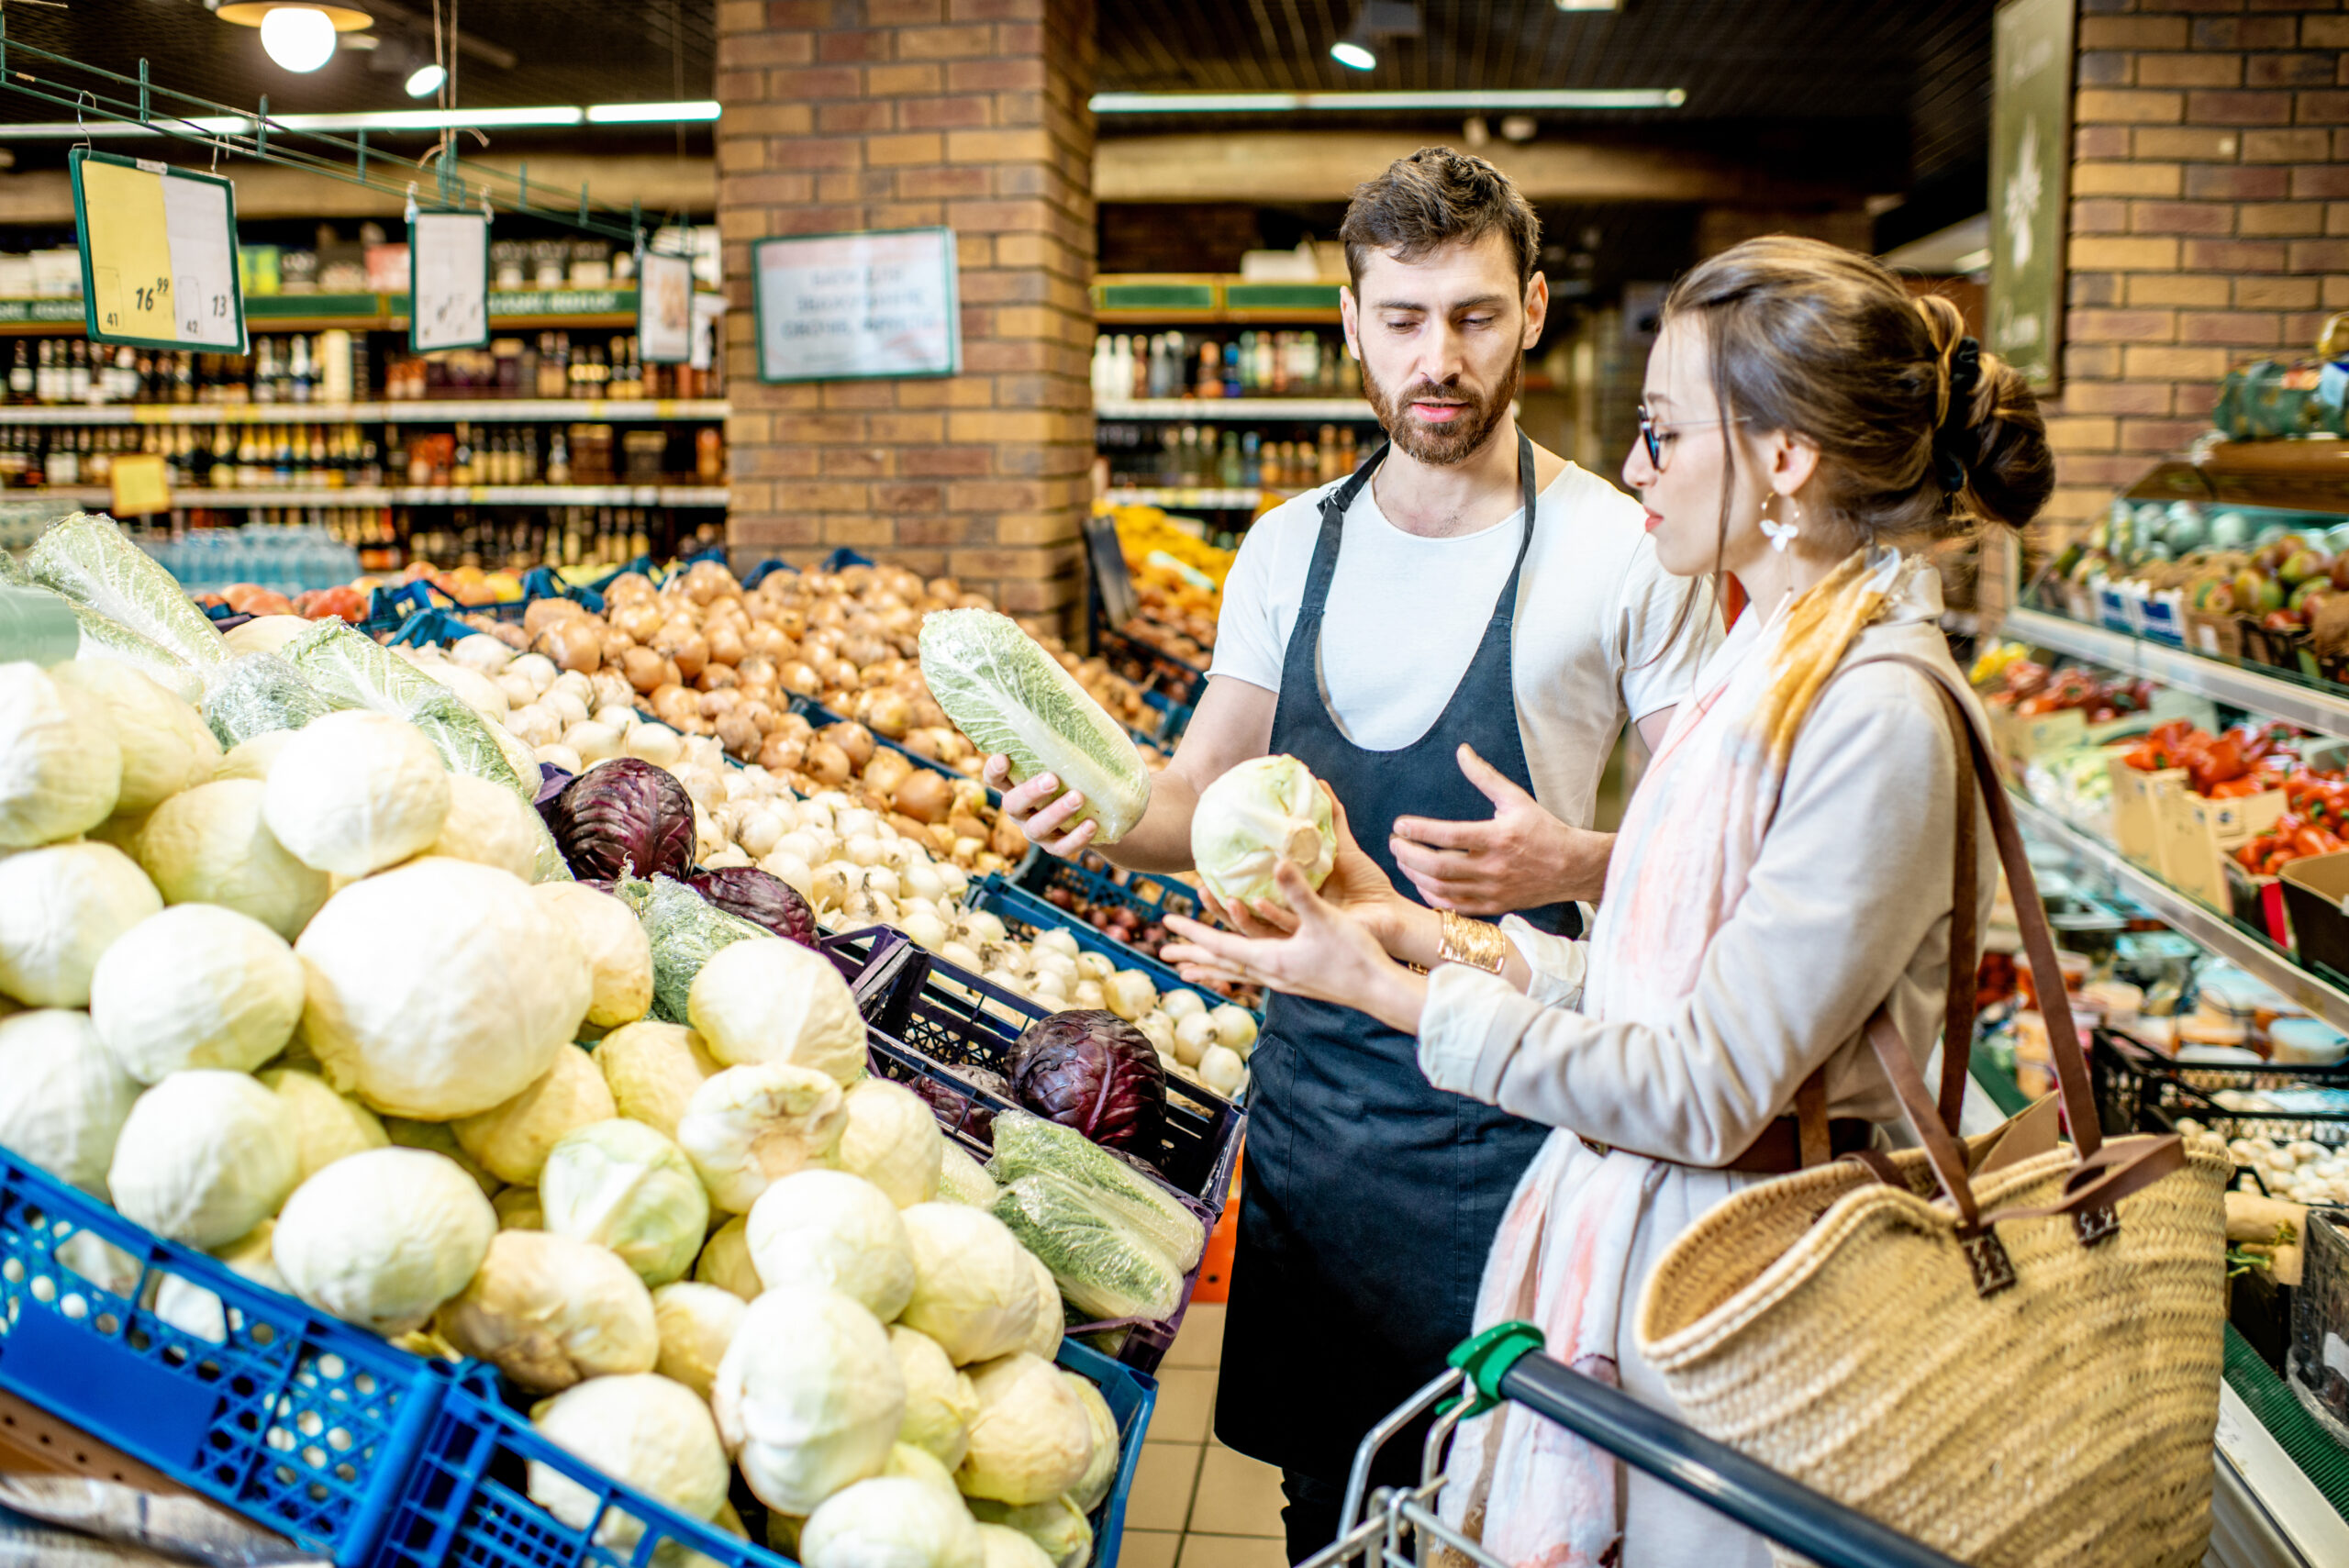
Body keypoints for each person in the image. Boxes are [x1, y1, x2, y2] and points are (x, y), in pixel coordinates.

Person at [1159, 235, 2056, 1566]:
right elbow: (1648, 986)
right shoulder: (1777, 662)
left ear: (1786, 460)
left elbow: (1702, 1085)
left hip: (1745, 1305)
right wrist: (1426, 932)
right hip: (1664, 1270)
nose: (1637, 465)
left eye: (1663, 429)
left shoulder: (1874, 712)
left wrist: (1396, 995)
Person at [988, 147, 1710, 1558]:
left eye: (1474, 316)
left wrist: (1568, 858)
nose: (1438, 359)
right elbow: (1195, 801)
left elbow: (1705, 866)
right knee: (1325, 1507)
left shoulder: (1621, 551)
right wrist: (1098, 807)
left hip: (1519, 1101)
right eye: (1403, 319)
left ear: (1537, 310)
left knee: (1516, 1517)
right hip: (1322, 1119)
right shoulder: (1283, 550)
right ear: (1351, 324)